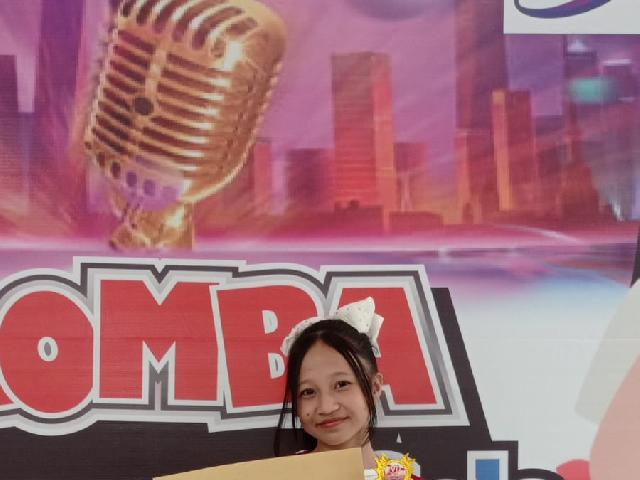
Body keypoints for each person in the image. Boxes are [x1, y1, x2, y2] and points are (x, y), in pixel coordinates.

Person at [273, 297, 422, 480]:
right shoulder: (277, 476)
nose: (326, 407)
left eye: (342, 384)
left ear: (375, 387)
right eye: (308, 391)